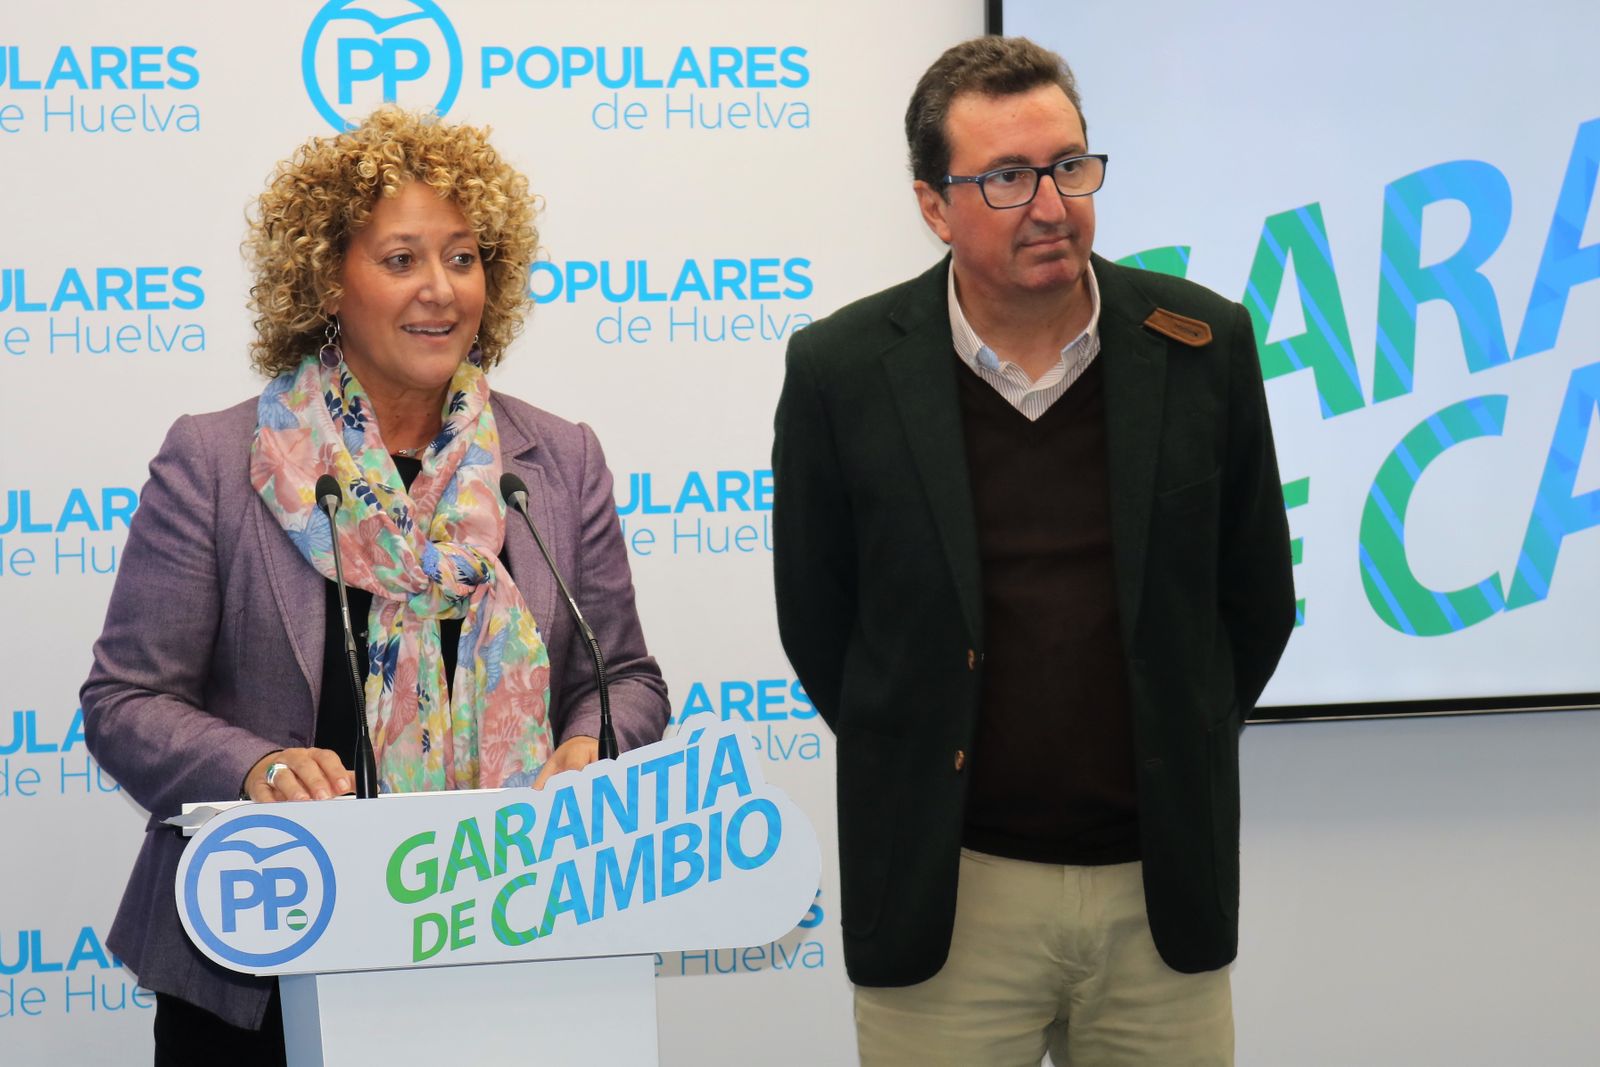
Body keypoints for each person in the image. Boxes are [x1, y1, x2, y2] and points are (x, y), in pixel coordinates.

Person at [81, 107, 669, 1065]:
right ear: (327, 280)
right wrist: (254, 767)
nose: (441, 290)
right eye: (401, 259)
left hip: (510, 940)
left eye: (465, 256)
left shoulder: (554, 460)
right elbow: (125, 703)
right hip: (265, 967)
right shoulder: (223, 460)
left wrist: (587, 743)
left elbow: (629, 677)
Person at [772, 36, 1295, 1066]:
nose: (1051, 206)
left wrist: (1173, 727)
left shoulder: (1202, 344)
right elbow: (822, 625)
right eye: (1007, 178)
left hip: (1159, 901)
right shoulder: (841, 370)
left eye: (1068, 165)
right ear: (933, 204)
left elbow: (1255, 600)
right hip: (952, 897)